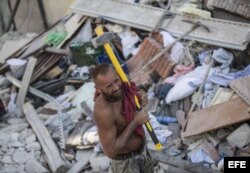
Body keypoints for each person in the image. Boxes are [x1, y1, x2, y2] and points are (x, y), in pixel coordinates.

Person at [91, 64, 154, 173]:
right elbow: (111, 151)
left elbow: (135, 91)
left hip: (143, 150)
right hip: (125, 163)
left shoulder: (123, 86)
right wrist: (136, 121)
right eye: (109, 86)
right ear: (98, 89)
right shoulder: (104, 111)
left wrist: (142, 95)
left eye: (116, 80)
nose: (116, 87)